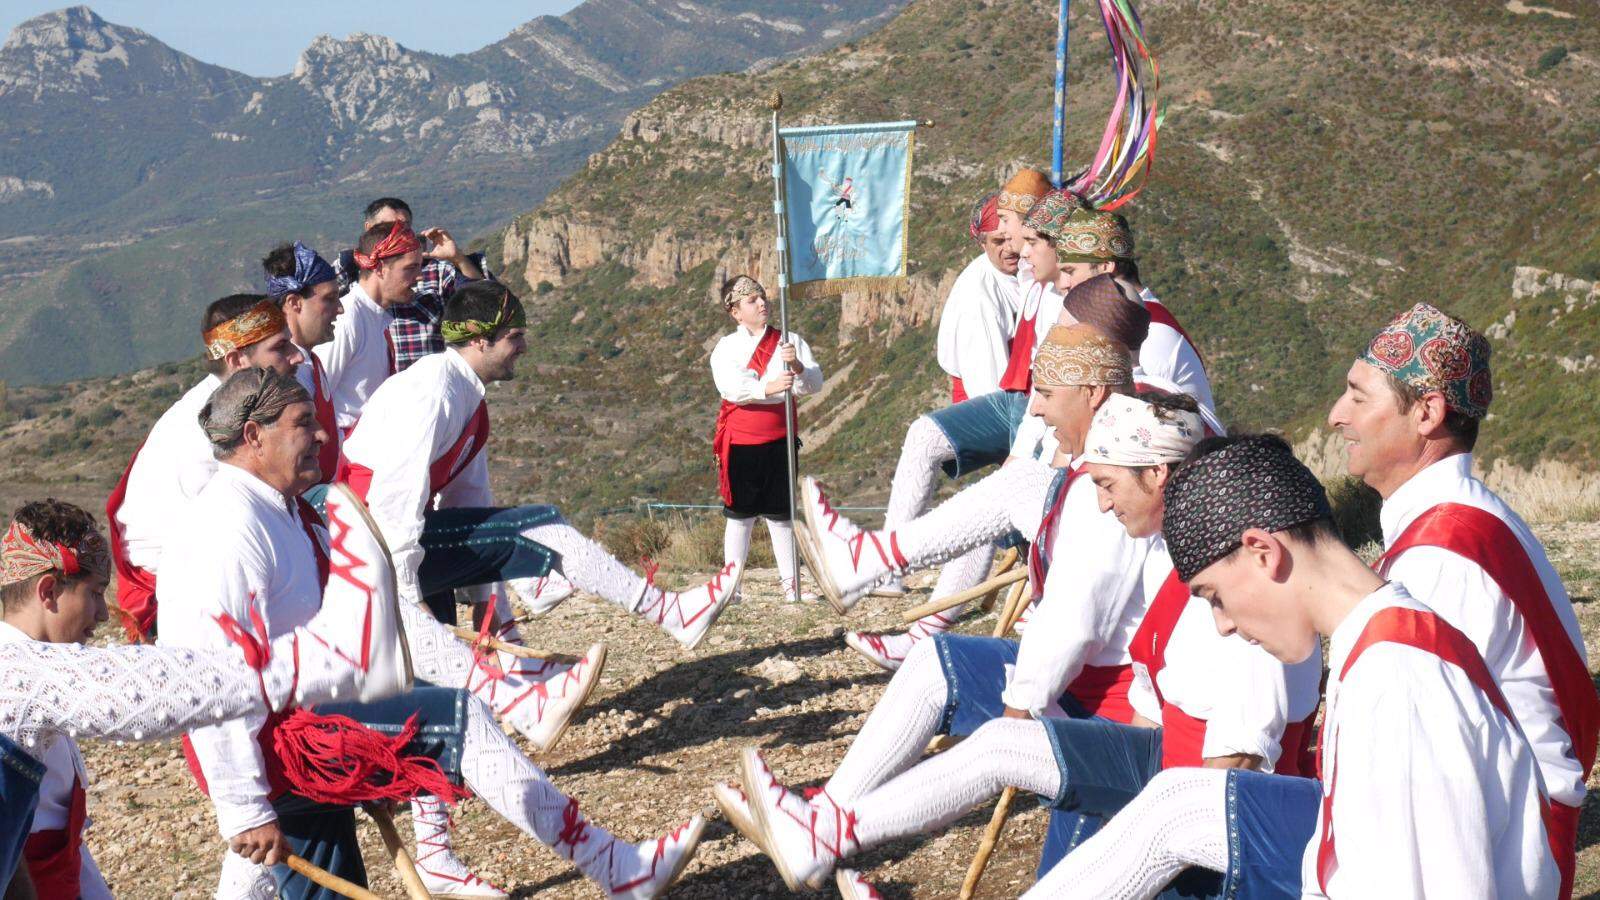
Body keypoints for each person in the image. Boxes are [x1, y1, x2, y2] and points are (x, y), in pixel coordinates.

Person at [734, 394, 1318, 894]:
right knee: (1004, 747)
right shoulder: (1173, 561)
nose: (1104, 502)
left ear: (1158, 475)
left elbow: (1236, 770)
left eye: (1110, 485)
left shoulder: (1242, 606)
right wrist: (1076, 758)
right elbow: (1150, 705)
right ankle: (823, 831)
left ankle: (824, 828)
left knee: (1095, 834)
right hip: (1160, 764)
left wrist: (1127, 814)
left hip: (1206, 808)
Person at [158, 368, 703, 900]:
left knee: (328, 878)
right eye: (304, 423)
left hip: (300, 722)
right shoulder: (224, 526)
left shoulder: (280, 506)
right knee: (457, 720)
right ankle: (616, 867)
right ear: (254, 435)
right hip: (282, 742)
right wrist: (245, 808)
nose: (323, 435)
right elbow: (211, 679)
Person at [1023, 434, 1558, 899]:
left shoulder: (1397, 677)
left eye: (1214, 596)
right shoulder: (1375, 643)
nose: (1223, 626)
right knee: (1179, 802)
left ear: (1262, 551)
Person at [0, 496, 412, 897]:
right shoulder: (16, 674)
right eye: (94, 592)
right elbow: (150, 690)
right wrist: (318, 667)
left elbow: (40, 847)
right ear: (49, 591)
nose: (105, 614)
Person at [1328, 302, 1595, 897]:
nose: (1335, 415)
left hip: (1505, 839)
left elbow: (1430, 743)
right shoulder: (1463, 519)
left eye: (1358, 396)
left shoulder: (1442, 556)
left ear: (1427, 413)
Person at [341, 281, 742, 651]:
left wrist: (484, 602)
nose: (525, 347)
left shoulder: (468, 397)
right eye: (514, 337)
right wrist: (410, 604)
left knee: (447, 670)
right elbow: (394, 505)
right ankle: (670, 613)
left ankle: (522, 698)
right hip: (365, 547)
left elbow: (468, 504)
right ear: (480, 341)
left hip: (391, 541)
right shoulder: (432, 393)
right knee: (537, 524)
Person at [107, 295, 304, 640]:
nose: (297, 356)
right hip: (174, 593)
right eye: (280, 347)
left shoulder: (239, 407)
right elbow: (219, 540)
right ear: (236, 359)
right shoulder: (207, 430)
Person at [710, 275, 824, 603]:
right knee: (740, 515)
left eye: (762, 297)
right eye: (751, 301)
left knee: (781, 513)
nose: (762, 304)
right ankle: (732, 587)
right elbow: (732, 387)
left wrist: (798, 366)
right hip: (743, 441)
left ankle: (792, 586)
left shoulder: (790, 341)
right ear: (735, 312)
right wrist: (767, 387)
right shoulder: (727, 348)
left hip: (780, 437)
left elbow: (813, 383)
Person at [332, 197, 493, 372]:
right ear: (370, 230)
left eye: (404, 227)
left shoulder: (436, 272)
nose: (398, 234)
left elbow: (487, 308)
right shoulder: (348, 273)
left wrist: (458, 259)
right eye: (388, 227)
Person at [263, 241, 344, 486]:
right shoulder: (282, 377)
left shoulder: (312, 363)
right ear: (294, 303)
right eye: (329, 299)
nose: (339, 309)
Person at [935, 189, 1022, 404]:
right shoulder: (979, 300)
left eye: (1013, 238)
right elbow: (989, 389)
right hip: (992, 403)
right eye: (999, 242)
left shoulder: (1024, 268)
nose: (1010, 249)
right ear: (983, 244)